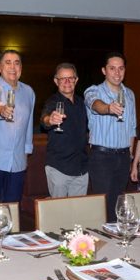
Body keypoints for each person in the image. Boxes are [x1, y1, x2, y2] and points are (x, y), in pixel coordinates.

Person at [0, 49, 35, 204]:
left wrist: (26, 153)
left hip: (17, 163)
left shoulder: (29, 92)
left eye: (17, 63)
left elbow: (28, 126)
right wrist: (2, 109)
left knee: (13, 210)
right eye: (7, 63)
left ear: (21, 67)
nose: (12, 67)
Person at [85, 52, 136, 221]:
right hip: (102, 157)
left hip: (123, 157)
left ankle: (117, 235)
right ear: (104, 70)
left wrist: (130, 156)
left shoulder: (130, 94)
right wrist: (108, 108)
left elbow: (131, 128)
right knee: (103, 205)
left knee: (118, 205)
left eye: (121, 68)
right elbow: (95, 105)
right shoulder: (94, 90)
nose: (117, 73)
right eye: (112, 68)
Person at [40, 62, 88, 197]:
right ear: (56, 81)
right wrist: (50, 119)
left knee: (79, 210)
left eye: (70, 78)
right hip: (59, 168)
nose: (67, 82)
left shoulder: (81, 103)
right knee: (59, 209)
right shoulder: (52, 102)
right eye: (62, 79)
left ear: (76, 80)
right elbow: (44, 119)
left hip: (81, 169)